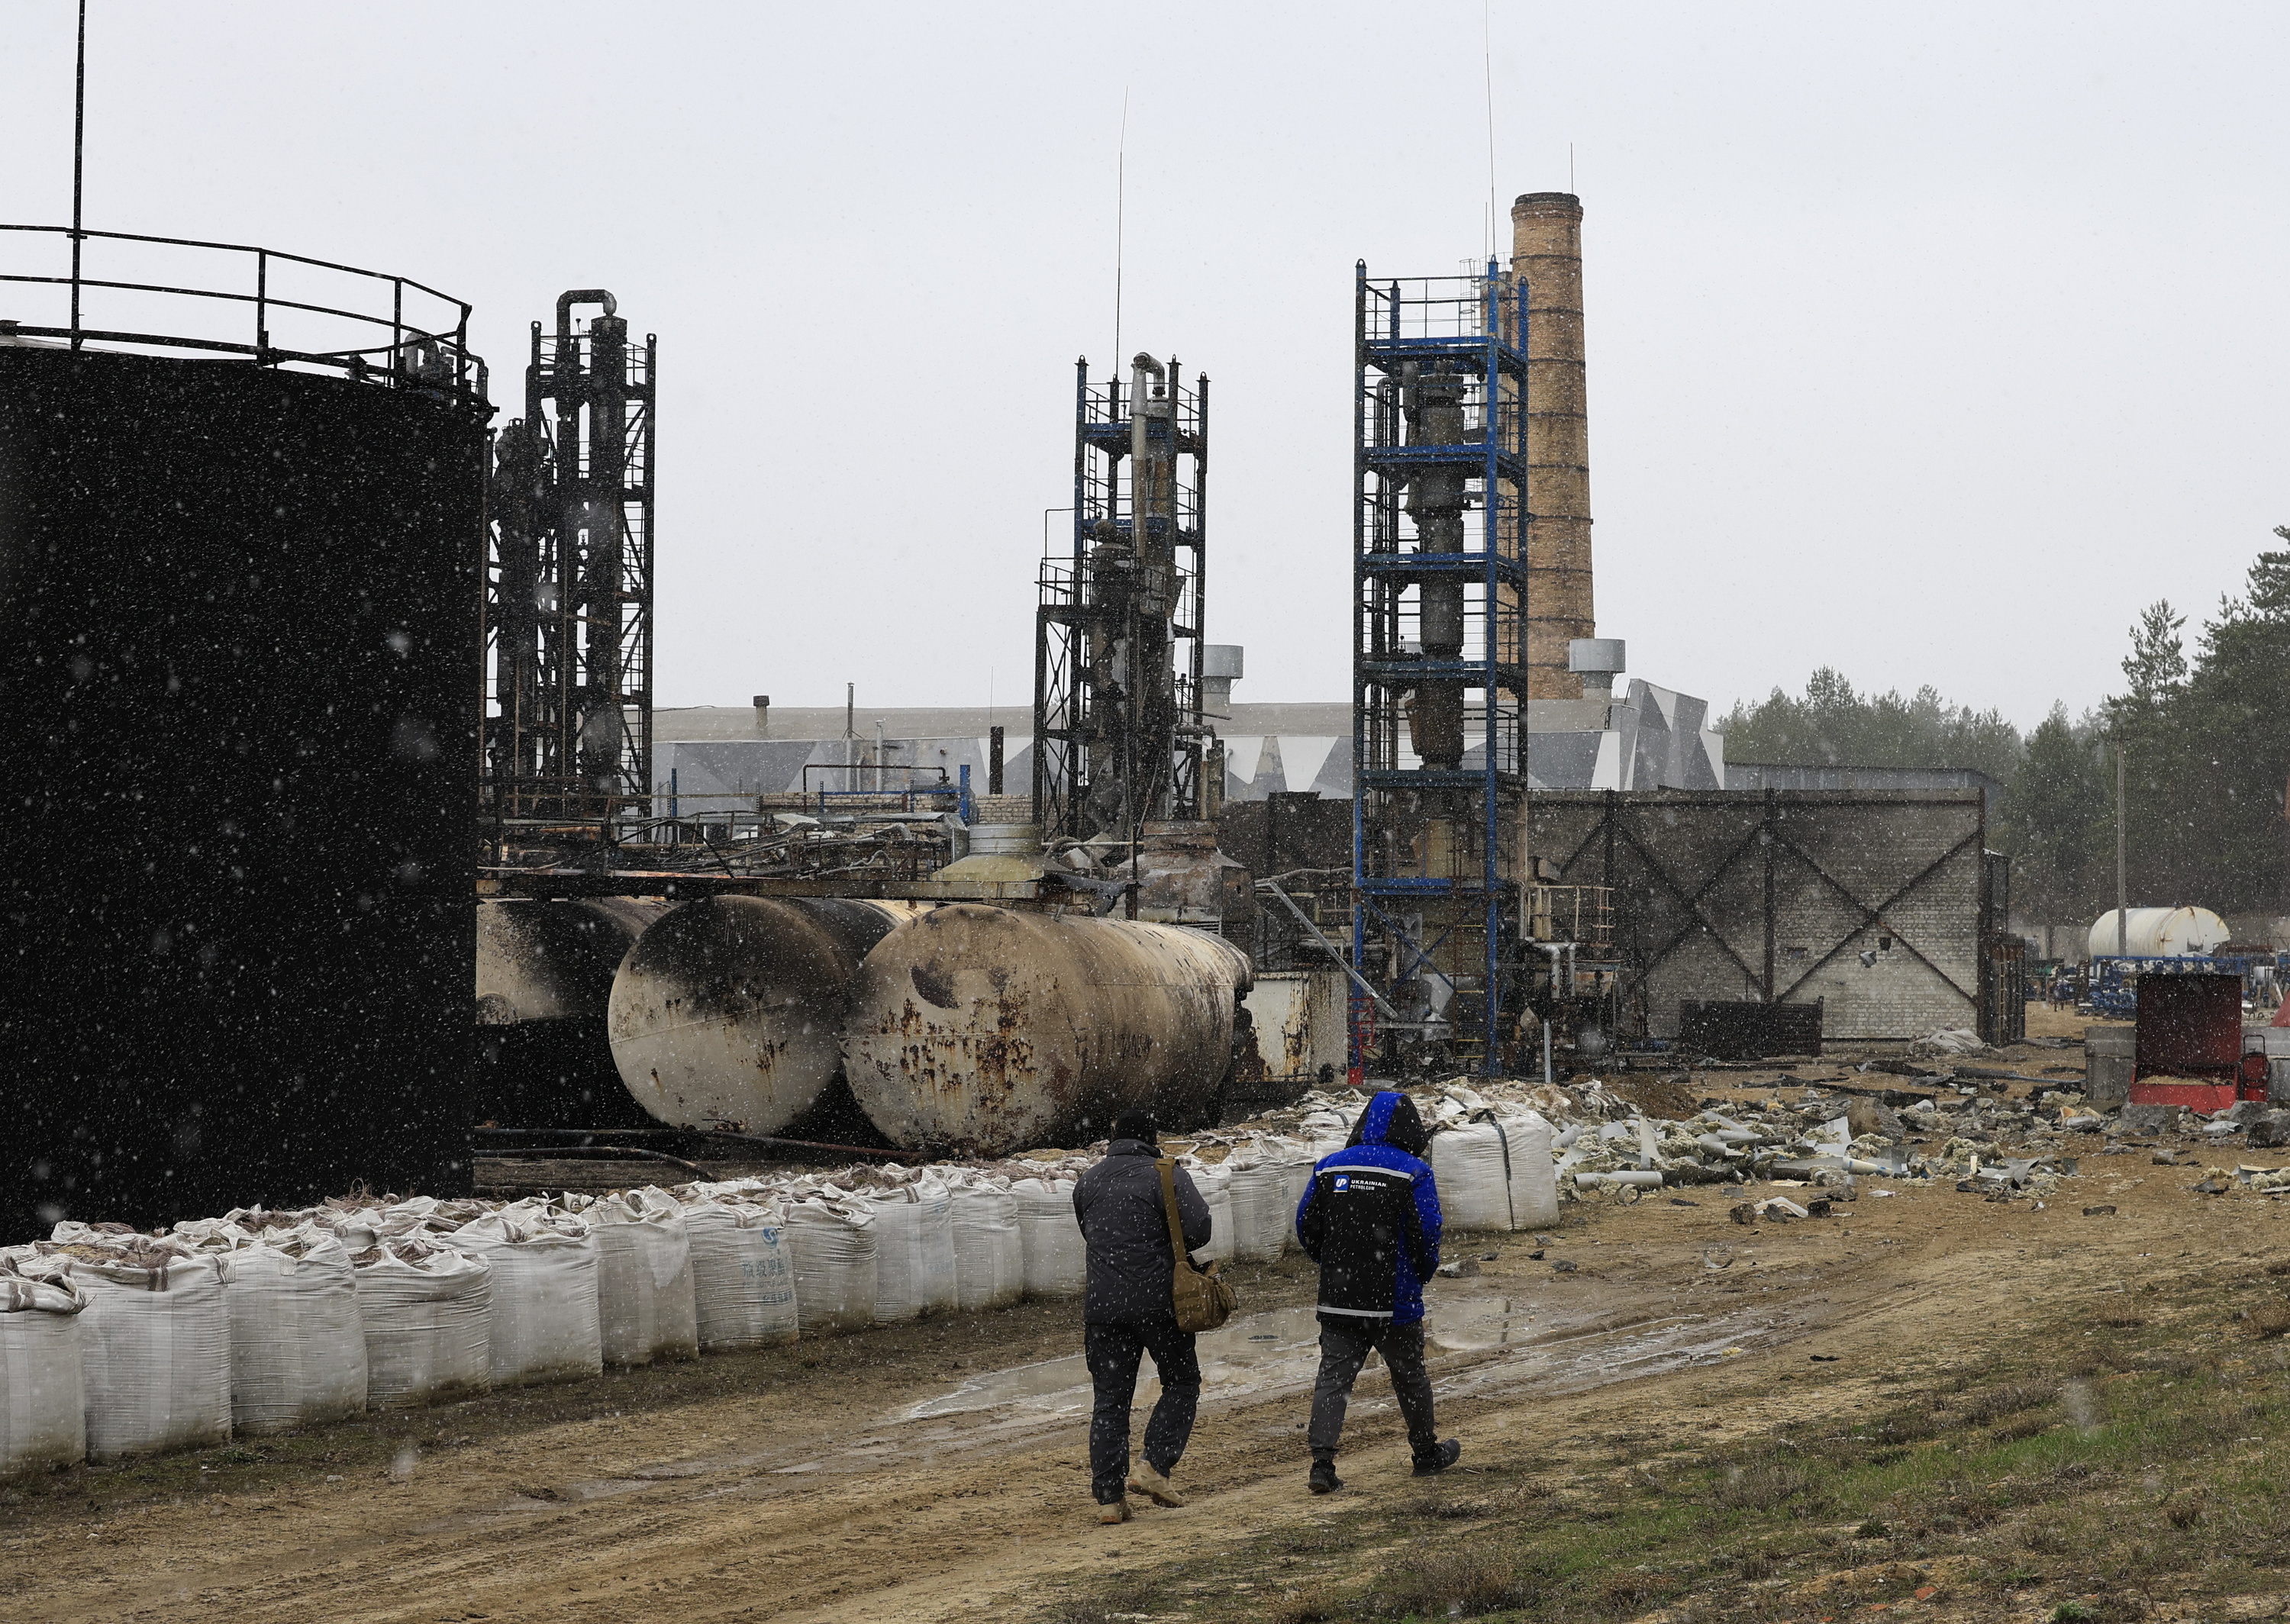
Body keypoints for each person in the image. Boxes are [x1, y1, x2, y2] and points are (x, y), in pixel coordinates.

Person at [1294, 1089, 1460, 1494]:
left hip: (1339, 1296)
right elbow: (1428, 1230)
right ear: (1411, 1128)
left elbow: (1305, 1225)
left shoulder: (1329, 1167)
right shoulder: (1414, 1171)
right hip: (1395, 1300)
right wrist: (1421, 1273)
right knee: (1409, 1376)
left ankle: (1322, 1464)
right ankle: (1424, 1453)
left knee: (1333, 1378)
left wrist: (1332, 1264)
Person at [1072, 1107, 1212, 1524]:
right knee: (1183, 1381)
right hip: (1159, 1306)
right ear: (1153, 1138)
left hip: (1103, 1310)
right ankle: (1153, 1466)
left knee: (1110, 1402)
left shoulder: (1088, 1180)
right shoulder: (1167, 1175)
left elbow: (1089, 1229)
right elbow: (1200, 1231)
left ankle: (1110, 1501)